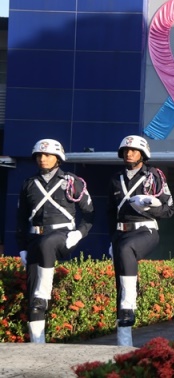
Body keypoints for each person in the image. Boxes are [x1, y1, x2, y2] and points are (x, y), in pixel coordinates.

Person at [16, 139, 94, 344]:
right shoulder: (29, 183)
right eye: (39, 155)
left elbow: (89, 213)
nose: (42, 159)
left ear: (58, 158)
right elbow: (21, 219)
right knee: (33, 298)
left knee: (47, 244)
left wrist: (80, 233)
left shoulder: (72, 181)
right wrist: (22, 248)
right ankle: (37, 343)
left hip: (63, 236)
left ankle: (44, 294)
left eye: (47, 155)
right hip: (35, 237)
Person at [107, 135, 174, 346]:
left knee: (127, 248)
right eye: (126, 150)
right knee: (121, 282)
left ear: (143, 154)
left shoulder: (154, 176)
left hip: (145, 230)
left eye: (134, 150)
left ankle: (130, 305)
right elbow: (110, 213)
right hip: (120, 233)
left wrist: (149, 206)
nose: (129, 153)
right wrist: (111, 240)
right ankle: (124, 344)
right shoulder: (115, 178)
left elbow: (169, 210)